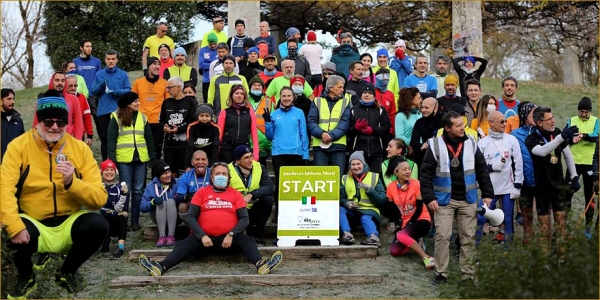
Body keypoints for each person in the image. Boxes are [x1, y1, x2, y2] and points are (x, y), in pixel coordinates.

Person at [2, 95, 109, 297]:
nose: (54, 127)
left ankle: (66, 272)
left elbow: (99, 198)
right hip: (33, 221)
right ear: (37, 121)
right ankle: (26, 277)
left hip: (70, 221)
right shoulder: (18, 146)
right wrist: (15, 226)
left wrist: (72, 182)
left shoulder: (80, 149)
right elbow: (4, 188)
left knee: (99, 224)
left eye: (60, 122)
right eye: (48, 121)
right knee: (8, 229)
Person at [138, 162, 283, 276]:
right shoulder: (201, 193)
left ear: (228, 177)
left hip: (229, 240)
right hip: (203, 240)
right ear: (212, 177)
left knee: (248, 241)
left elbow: (244, 219)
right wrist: (202, 235)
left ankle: (261, 265)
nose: (221, 176)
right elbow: (190, 217)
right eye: (218, 173)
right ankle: (160, 267)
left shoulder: (235, 194)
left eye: (224, 174)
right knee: (183, 245)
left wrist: (231, 234)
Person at [420, 111, 494, 285]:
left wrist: (488, 194)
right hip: (443, 200)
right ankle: (440, 274)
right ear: (447, 128)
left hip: (468, 200)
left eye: (463, 124)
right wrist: (430, 198)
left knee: (468, 238)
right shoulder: (435, 145)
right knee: (442, 237)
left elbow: (482, 170)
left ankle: (467, 276)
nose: (463, 128)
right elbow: (425, 175)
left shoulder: (471, 143)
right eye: (459, 125)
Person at [525, 107, 580, 246]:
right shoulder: (531, 139)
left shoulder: (556, 132)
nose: (553, 121)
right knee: (545, 228)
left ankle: (561, 258)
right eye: (549, 119)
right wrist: (560, 138)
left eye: (553, 117)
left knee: (561, 225)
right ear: (539, 122)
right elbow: (543, 151)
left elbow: (568, 156)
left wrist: (574, 176)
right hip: (542, 189)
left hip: (559, 187)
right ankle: (545, 263)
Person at [107, 92, 158, 232]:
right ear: (127, 104)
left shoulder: (143, 117)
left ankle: (135, 221)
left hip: (141, 158)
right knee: (125, 190)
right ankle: (123, 220)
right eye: (135, 101)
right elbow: (111, 140)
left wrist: (153, 156)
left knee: (138, 191)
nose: (138, 103)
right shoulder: (116, 118)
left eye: (138, 100)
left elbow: (149, 138)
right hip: (124, 159)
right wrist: (112, 159)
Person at [475, 111, 523, 245]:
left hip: (508, 187)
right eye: (501, 121)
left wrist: (518, 185)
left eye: (505, 121)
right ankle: (474, 247)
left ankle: (508, 248)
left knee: (507, 219)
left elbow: (518, 163)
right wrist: (491, 167)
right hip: (489, 189)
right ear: (491, 123)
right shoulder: (483, 143)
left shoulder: (511, 140)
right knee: (480, 217)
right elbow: (477, 167)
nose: (504, 124)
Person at [264, 86, 309, 220]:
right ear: (280, 98)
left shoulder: (299, 112)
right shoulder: (274, 114)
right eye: (284, 96)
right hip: (279, 154)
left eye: (289, 96)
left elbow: (304, 134)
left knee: (296, 186)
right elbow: (270, 136)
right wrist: (267, 122)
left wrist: (305, 155)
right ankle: (279, 215)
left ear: (293, 97)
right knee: (281, 185)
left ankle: (297, 214)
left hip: (296, 153)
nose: (286, 98)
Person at [387, 159, 435, 270]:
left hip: (421, 218)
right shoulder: (391, 187)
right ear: (396, 172)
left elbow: (419, 208)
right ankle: (416, 241)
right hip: (405, 221)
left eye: (409, 169)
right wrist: (398, 224)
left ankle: (426, 257)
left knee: (401, 235)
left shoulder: (416, 184)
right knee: (394, 251)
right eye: (404, 169)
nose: (408, 171)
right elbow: (391, 209)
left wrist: (410, 223)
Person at [339, 151, 387, 246]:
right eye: (353, 164)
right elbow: (342, 197)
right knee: (340, 210)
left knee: (365, 218)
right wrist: (347, 203)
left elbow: (382, 201)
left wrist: (370, 190)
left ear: (363, 164)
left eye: (358, 164)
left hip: (370, 211)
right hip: (353, 211)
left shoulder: (375, 176)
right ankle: (347, 234)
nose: (356, 167)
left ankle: (373, 237)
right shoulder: (344, 178)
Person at [228, 146, 274, 243]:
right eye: (246, 158)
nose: (250, 160)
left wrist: (252, 194)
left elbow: (269, 187)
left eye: (251, 156)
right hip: (235, 210)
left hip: (252, 208)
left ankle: (256, 235)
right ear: (238, 161)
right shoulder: (227, 170)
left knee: (268, 200)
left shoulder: (259, 167)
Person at [566, 97, 599, 234]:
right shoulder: (572, 120)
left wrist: (583, 135)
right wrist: (572, 139)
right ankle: (565, 224)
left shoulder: (596, 121)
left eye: (586, 112)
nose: (583, 114)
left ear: (590, 111)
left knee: (589, 195)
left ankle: (588, 228)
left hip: (589, 163)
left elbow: (596, 136)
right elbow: (565, 137)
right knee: (567, 193)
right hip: (573, 162)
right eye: (581, 111)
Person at [91, 49, 132, 160]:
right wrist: (100, 86)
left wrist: (116, 92)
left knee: (119, 137)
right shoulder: (99, 74)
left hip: (118, 111)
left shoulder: (122, 74)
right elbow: (92, 92)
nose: (111, 61)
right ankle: (106, 163)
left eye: (113, 59)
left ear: (116, 60)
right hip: (103, 111)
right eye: (108, 59)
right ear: (105, 60)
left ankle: (118, 162)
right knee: (104, 138)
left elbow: (128, 89)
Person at [307, 75, 351, 173]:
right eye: (340, 87)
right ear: (330, 88)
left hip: (338, 145)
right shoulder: (317, 101)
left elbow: (345, 122)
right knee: (320, 177)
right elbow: (311, 121)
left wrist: (330, 136)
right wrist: (321, 133)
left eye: (343, 87)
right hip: (320, 145)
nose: (342, 90)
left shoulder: (346, 102)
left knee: (337, 176)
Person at [348, 83, 391, 173]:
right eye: (364, 92)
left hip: (376, 150)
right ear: (361, 95)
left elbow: (387, 127)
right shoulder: (353, 110)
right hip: (358, 151)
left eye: (370, 93)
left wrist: (373, 130)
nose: (367, 95)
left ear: (374, 96)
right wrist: (356, 128)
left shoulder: (381, 110)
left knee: (374, 176)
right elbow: (348, 130)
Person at [510, 102, 537, 243]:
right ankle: (528, 239)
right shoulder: (515, 135)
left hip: (541, 180)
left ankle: (546, 241)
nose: (536, 117)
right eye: (533, 114)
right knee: (527, 213)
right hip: (524, 179)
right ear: (525, 116)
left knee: (544, 213)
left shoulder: (541, 132)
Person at [160, 77, 198, 176]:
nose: (167, 91)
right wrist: (164, 127)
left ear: (178, 87)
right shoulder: (166, 102)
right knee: (171, 173)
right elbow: (161, 120)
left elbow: (193, 121)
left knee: (184, 173)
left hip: (184, 145)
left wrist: (179, 129)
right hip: (169, 145)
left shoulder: (190, 102)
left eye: (170, 88)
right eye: (167, 88)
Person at [132, 56, 169, 158]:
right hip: (142, 122)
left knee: (156, 153)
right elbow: (132, 101)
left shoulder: (165, 83)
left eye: (159, 64)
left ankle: (155, 173)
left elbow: (168, 104)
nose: (157, 67)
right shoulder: (138, 82)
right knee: (141, 151)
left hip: (158, 123)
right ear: (148, 67)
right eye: (154, 64)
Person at [34, 73, 84, 141]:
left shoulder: (73, 99)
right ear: (52, 81)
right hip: (46, 141)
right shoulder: (43, 99)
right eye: (57, 80)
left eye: (62, 81)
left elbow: (78, 124)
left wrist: (78, 142)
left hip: (68, 142)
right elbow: (36, 123)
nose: (60, 83)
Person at [140, 161, 180, 247]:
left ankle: (171, 236)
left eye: (169, 172)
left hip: (175, 217)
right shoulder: (151, 186)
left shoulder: (177, 183)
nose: (168, 175)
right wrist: (152, 202)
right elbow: (142, 207)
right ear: (158, 176)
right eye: (165, 173)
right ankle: (162, 236)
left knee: (170, 201)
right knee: (161, 203)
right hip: (157, 216)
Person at [217, 85, 260, 163]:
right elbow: (219, 135)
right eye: (237, 93)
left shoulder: (250, 111)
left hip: (244, 148)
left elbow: (254, 135)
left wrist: (256, 154)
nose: (239, 95)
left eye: (241, 93)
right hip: (227, 148)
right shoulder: (224, 112)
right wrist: (217, 151)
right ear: (232, 95)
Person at [99, 159, 129, 258]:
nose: (109, 172)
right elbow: (100, 206)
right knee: (102, 217)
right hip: (105, 219)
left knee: (123, 217)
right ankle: (105, 241)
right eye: (106, 170)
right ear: (101, 172)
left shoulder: (120, 187)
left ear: (115, 172)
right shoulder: (98, 187)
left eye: (111, 170)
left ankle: (120, 247)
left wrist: (124, 195)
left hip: (116, 218)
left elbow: (122, 208)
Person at [246, 76, 274, 165]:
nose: (257, 87)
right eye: (254, 85)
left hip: (265, 143)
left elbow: (273, 122)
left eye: (259, 85)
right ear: (250, 87)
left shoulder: (268, 102)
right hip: (248, 142)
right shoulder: (244, 101)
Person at [176, 150, 212, 214]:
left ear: (207, 162)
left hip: (210, 201)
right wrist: (189, 196)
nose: (200, 162)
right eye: (197, 159)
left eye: (203, 159)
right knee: (182, 206)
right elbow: (179, 196)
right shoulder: (186, 176)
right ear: (192, 162)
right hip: (193, 202)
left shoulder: (213, 174)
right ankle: (191, 223)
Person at [410, 97, 443, 167]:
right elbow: (413, 141)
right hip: (425, 156)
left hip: (442, 156)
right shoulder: (419, 122)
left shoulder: (443, 120)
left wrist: (430, 143)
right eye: (422, 107)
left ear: (435, 108)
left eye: (426, 107)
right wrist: (421, 146)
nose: (423, 110)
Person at [65, 74, 94, 146]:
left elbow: (87, 117)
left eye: (75, 85)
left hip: (80, 134)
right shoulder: (61, 99)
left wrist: (90, 135)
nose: (73, 88)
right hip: (65, 134)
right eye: (70, 86)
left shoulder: (82, 97)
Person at [1, 88, 25, 160]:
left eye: (13, 99)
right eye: (9, 99)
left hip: (14, 165)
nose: (12, 101)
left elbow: (23, 143)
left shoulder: (18, 121)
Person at [374, 68, 397, 137]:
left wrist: (392, 129)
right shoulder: (371, 92)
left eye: (386, 80)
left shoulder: (390, 94)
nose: (385, 82)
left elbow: (392, 113)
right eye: (382, 79)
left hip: (387, 129)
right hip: (373, 127)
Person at [198, 33, 219, 102]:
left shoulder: (219, 50)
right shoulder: (203, 50)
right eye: (211, 44)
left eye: (214, 44)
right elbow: (201, 65)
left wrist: (207, 64)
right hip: (206, 80)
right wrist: (213, 64)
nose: (213, 46)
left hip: (217, 79)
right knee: (206, 100)